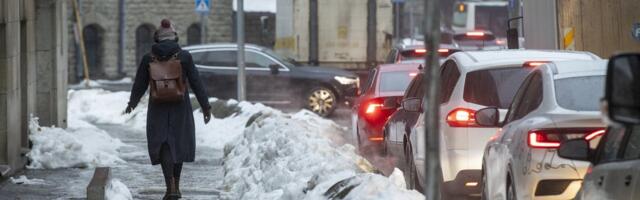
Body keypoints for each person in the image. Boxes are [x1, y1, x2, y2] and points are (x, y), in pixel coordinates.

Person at [124, 19, 212, 200]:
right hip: (180, 106)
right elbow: (196, 82)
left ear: (157, 38)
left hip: (158, 106)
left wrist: (132, 103)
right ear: (175, 37)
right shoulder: (185, 56)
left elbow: (139, 84)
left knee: (163, 144)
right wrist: (205, 106)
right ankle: (176, 186)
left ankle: (170, 186)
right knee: (178, 143)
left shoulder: (149, 58)